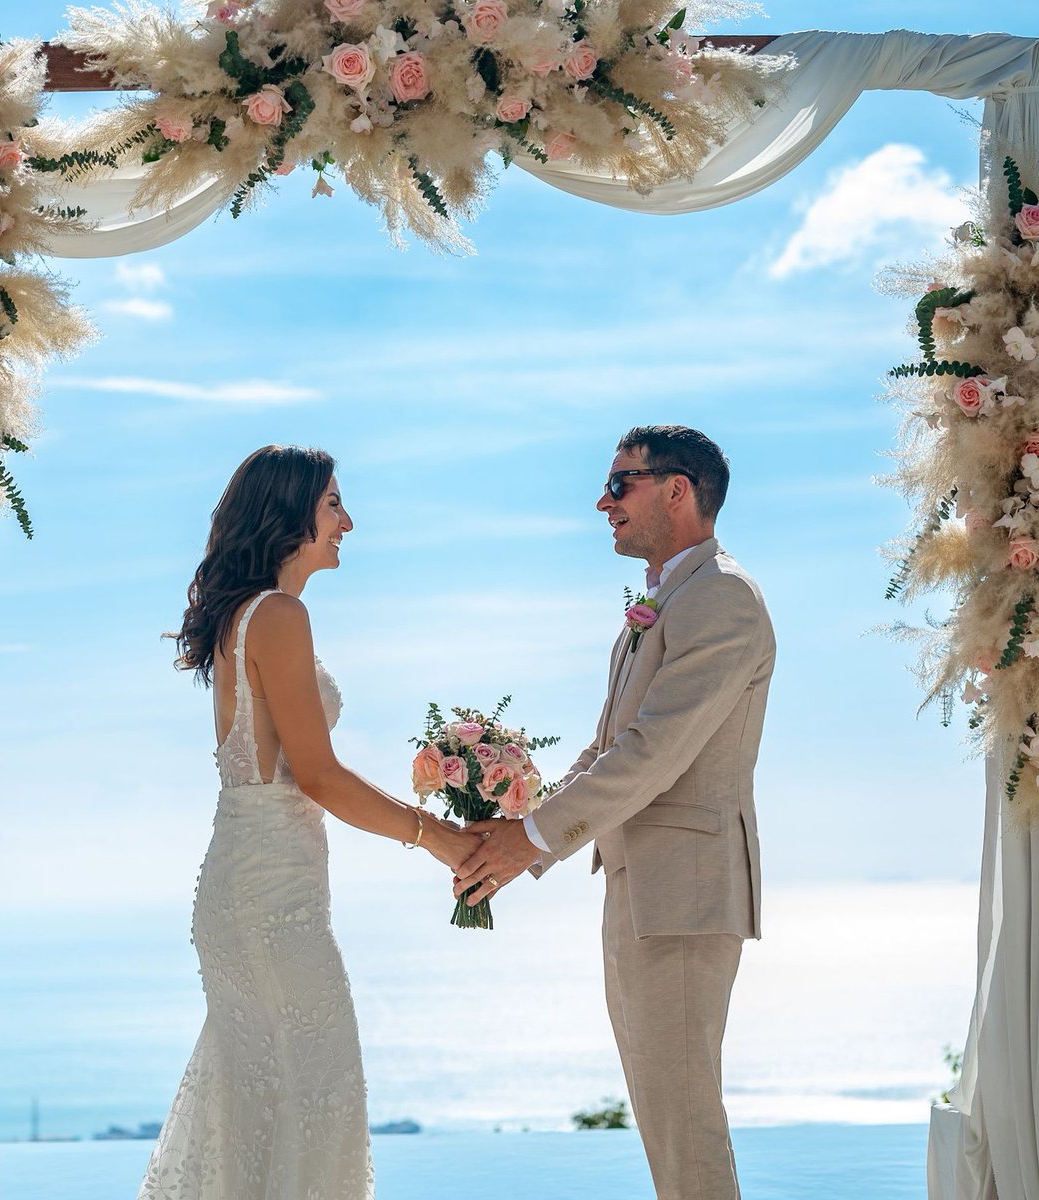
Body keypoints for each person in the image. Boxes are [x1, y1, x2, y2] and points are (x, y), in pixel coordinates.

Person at [140, 445, 477, 1200]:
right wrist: (440, 837)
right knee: (315, 1094)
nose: (347, 522)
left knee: (262, 1098)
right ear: (289, 514)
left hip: (247, 889)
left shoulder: (240, 618)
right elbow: (318, 776)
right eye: (333, 505)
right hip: (270, 906)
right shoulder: (280, 616)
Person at [456, 425, 775, 1200]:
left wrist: (528, 841)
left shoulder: (723, 599)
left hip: (684, 898)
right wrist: (514, 826)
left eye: (620, 483)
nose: (603, 502)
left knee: (684, 1122)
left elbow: (654, 753)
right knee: (666, 1121)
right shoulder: (668, 600)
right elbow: (609, 749)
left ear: (677, 490)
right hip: (641, 893)